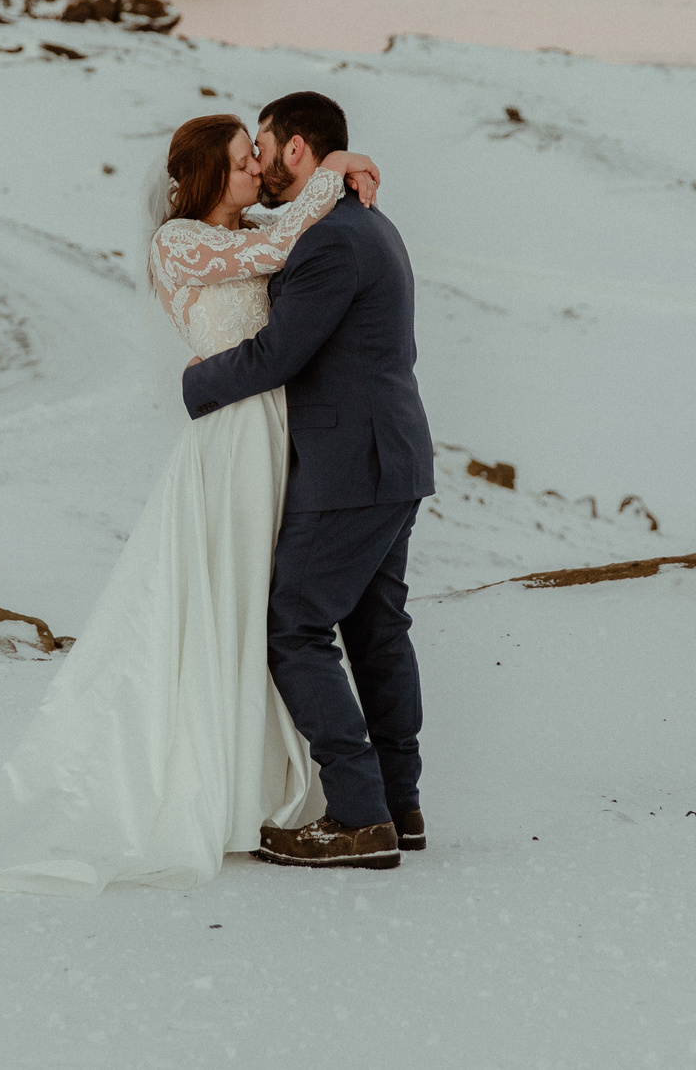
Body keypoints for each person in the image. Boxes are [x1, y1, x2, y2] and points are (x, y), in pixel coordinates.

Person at [0, 107, 383, 895]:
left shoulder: (252, 217)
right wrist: (336, 168)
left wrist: (342, 170)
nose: (253, 171)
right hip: (231, 438)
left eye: (252, 158)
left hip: (269, 428)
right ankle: (212, 778)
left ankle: (257, 772)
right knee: (231, 597)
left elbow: (286, 222)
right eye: (237, 162)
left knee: (263, 600)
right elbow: (273, 244)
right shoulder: (180, 241)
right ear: (201, 176)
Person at [182, 91, 434, 871]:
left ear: (296, 148)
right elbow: (257, 244)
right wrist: (337, 165)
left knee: (293, 623)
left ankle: (358, 814)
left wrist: (196, 384)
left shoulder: (329, 242)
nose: (256, 162)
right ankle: (400, 803)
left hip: (349, 463)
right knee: (375, 628)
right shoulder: (366, 223)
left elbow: (278, 354)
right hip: (392, 458)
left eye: (262, 146)